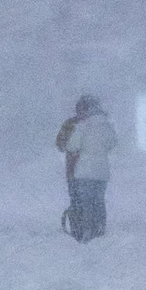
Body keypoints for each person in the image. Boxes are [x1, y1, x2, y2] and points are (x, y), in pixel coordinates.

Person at [64, 95, 117, 242]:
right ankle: (99, 228)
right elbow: (112, 144)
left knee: (85, 202)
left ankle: (87, 231)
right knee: (98, 201)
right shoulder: (107, 126)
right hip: (102, 172)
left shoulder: (82, 126)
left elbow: (72, 146)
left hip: (84, 171)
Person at [55, 98, 88, 235]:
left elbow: (60, 145)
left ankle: (79, 229)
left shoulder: (70, 124)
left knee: (77, 200)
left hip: (75, 169)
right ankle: (83, 228)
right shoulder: (95, 125)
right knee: (83, 200)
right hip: (80, 171)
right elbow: (59, 144)